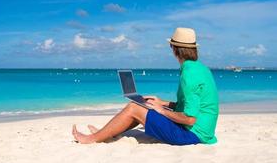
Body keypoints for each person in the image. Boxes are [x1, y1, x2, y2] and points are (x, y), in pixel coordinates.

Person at [72, 27, 219, 145]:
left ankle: (91, 139)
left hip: (192, 134)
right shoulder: (200, 69)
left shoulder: (190, 74)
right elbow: (192, 106)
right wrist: (162, 103)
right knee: (143, 106)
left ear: (174, 49)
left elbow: (189, 118)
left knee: (134, 108)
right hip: (202, 131)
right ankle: (104, 133)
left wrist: (162, 111)